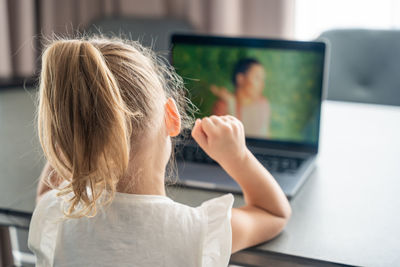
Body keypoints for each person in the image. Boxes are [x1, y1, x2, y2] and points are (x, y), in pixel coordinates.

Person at [28, 37, 291, 267]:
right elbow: (273, 213)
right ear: (173, 116)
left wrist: (73, 131)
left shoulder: (56, 213)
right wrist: (237, 157)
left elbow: (46, 194)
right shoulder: (197, 233)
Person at [211, 58, 271, 138]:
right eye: (257, 78)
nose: (262, 84)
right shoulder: (223, 106)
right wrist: (231, 104)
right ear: (240, 79)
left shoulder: (263, 104)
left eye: (262, 79)